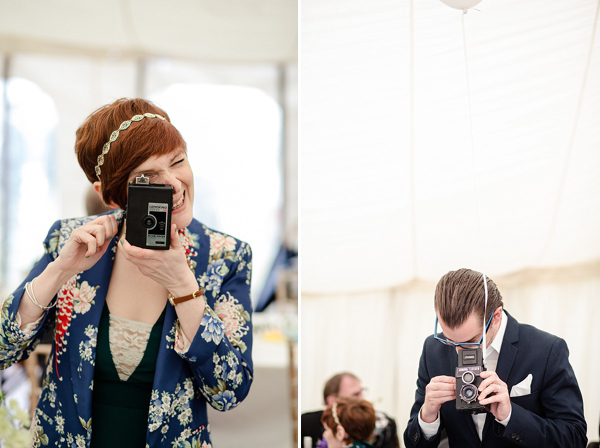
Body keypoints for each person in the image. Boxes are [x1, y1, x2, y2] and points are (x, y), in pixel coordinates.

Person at [0, 98, 253, 447]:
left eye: (177, 161)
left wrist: (183, 286)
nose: (175, 185)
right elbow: (3, 349)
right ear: (111, 194)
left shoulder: (225, 256)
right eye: (147, 177)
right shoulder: (70, 239)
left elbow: (229, 391)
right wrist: (61, 270)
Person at [403, 268, 587, 448]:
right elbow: (413, 443)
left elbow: (575, 437)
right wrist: (427, 416)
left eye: (471, 340)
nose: (459, 350)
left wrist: (510, 416)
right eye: (450, 340)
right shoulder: (432, 349)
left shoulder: (547, 349)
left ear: (496, 316)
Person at [302, 372, 399, 448]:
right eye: (355, 395)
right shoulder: (306, 424)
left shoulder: (385, 424)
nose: (362, 399)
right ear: (332, 401)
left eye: (361, 392)